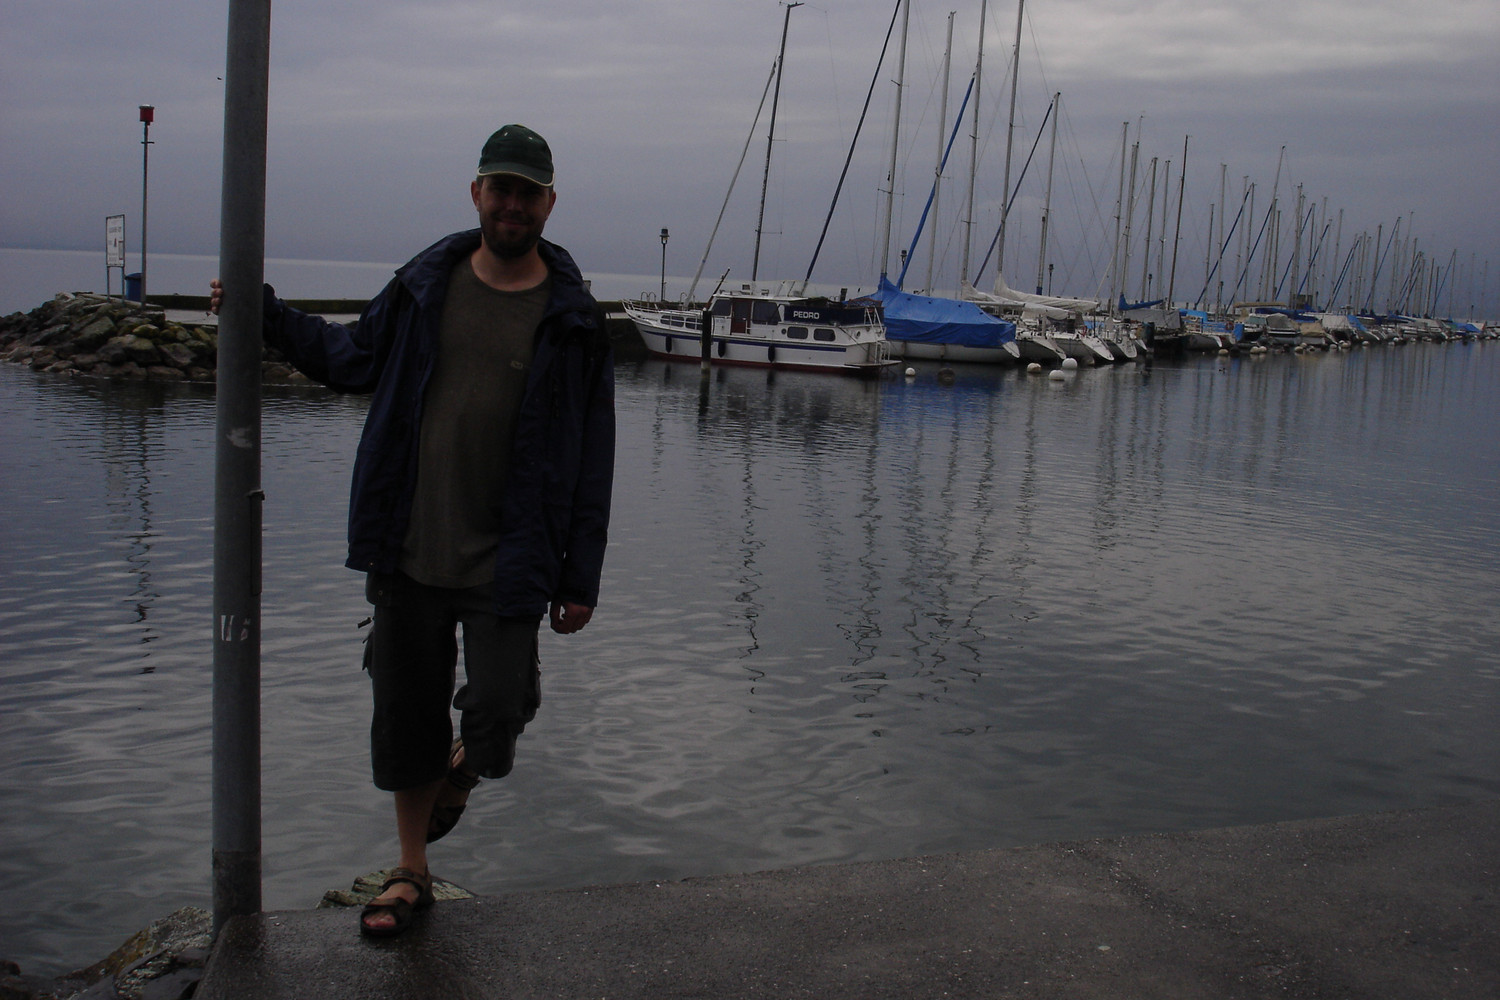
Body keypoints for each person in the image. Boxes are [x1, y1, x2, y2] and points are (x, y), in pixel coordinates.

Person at [210, 123, 614, 937]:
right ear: (476, 193)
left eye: (526, 192)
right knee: (405, 716)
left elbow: (592, 453)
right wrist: (262, 314)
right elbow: (350, 358)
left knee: (496, 710)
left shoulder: (572, 317)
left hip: (511, 555)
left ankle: (466, 770)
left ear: (549, 204)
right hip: (407, 542)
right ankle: (410, 871)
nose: (511, 204)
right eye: (499, 188)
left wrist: (580, 579)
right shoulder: (425, 286)